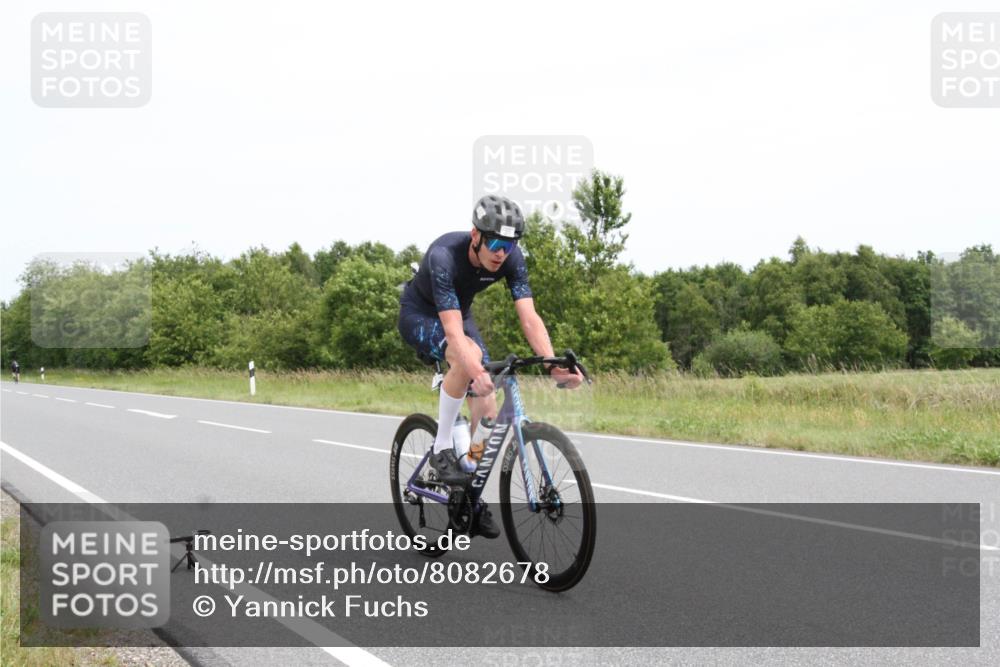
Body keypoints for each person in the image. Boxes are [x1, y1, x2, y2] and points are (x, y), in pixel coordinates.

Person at [397, 194, 583, 538]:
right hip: (419, 314)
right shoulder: (444, 256)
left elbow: (529, 318)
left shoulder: (511, 259)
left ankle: (467, 486)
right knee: (469, 361)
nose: (501, 252)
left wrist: (551, 365)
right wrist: (476, 371)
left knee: (488, 405)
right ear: (475, 236)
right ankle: (441, 450)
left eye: (509, 246)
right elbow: (453, 333)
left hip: (458, 313)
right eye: (495, 243)